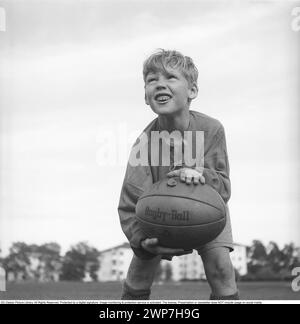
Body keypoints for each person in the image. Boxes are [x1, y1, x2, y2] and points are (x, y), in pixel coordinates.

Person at [118, 49, 239, 300]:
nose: (160, 84)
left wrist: (201, 173)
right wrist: (141, 239)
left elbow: (224, 187)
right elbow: (131, 200)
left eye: (171, 77)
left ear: (192, 91)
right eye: (152, 80)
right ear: (146, 96)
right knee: (139, 272)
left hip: (206, 211)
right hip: (160, 215)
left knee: (222, 270)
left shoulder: (211, 129)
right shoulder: (143, 143)